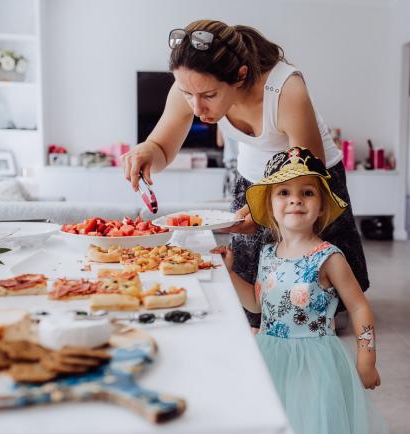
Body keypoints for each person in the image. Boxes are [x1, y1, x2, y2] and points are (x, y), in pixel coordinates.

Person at [120, 20, 369, 327]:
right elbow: (162, 147)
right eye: (187, 94)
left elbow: (306, 172)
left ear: (239, 76)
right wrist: (147, 151)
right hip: (253, 176)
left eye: (209, 95)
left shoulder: (285, 89)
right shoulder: (192, 84)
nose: (196, 108)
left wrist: (267, 206)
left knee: (313, 282)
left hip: (309, 177)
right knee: (252, 291)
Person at [212, 147, 387, 434]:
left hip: (315, 363)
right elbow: (258, 305)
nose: (295, 199)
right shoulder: (267, 253)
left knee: (311, 421)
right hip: (270, 356)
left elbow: (358, 306)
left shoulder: (329, 257)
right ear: (269, 205)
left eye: (307, 192)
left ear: (321, 206)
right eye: (283, 193)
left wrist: (367, 359)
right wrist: (230, 274)